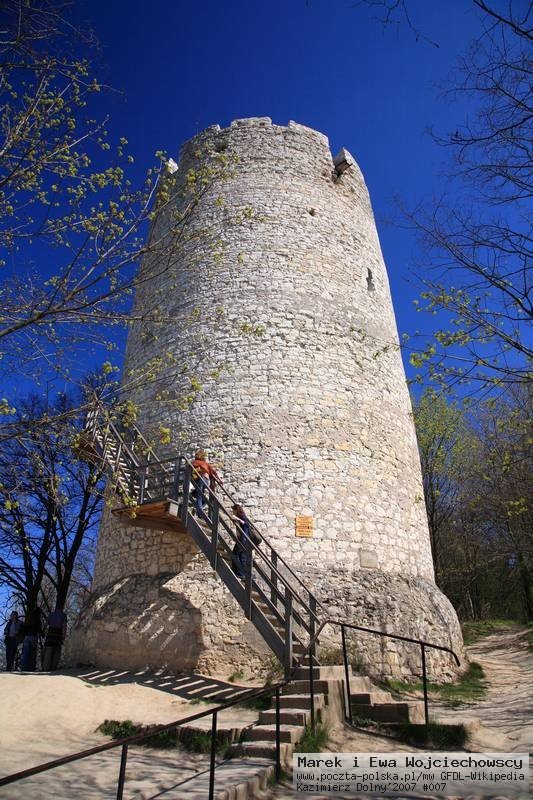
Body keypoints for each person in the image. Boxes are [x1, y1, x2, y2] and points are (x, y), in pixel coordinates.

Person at [191, 449, 220, 520]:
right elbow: (213, 471)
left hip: (201, 479)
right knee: (198, 494)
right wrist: (219, 479)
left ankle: (200, 513)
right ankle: (199, 507)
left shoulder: (196, 462)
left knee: (198, 496)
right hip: (206, 480)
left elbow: (190, 467)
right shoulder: (206, 464)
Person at [231, 504, 252, 579]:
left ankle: (240, 573)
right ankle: (245, 574)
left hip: (243, 540)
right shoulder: (240, 516)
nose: (233, 512)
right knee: (242, 557)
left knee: (235, 555)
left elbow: (246, 524)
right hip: (244, 540)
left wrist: (237, 519)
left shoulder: (242, 516)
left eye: (233, 510)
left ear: (236, 510)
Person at [20, 606, 43, 671]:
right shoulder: (37, 619)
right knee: (32, 653)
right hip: (33, 636)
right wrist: (42, 634)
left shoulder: (29, 618)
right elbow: (39, 629)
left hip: (27, 637)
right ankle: (31, 668)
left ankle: (24, 668)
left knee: (26, 653)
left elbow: (24, 627)